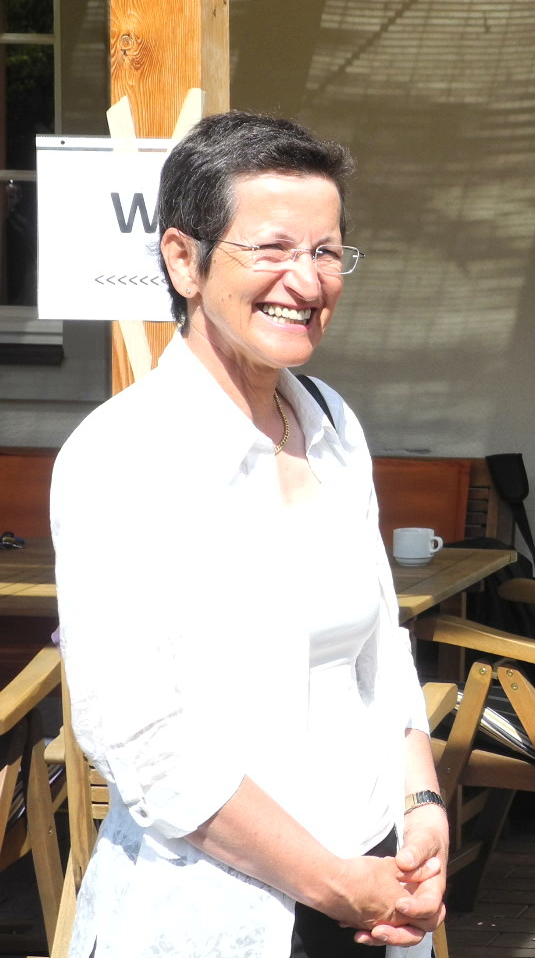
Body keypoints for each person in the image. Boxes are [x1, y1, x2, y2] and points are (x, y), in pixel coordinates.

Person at [51, 111, 448, 957]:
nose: (306, 281)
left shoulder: (333, 424)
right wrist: (332, 884)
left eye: (327, 251)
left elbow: (382, 650)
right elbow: (143, 740)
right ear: (183, 261)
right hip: (219, 913)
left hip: (375, 887)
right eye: (271, 248)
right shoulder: (121, 455)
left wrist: (422, 808)